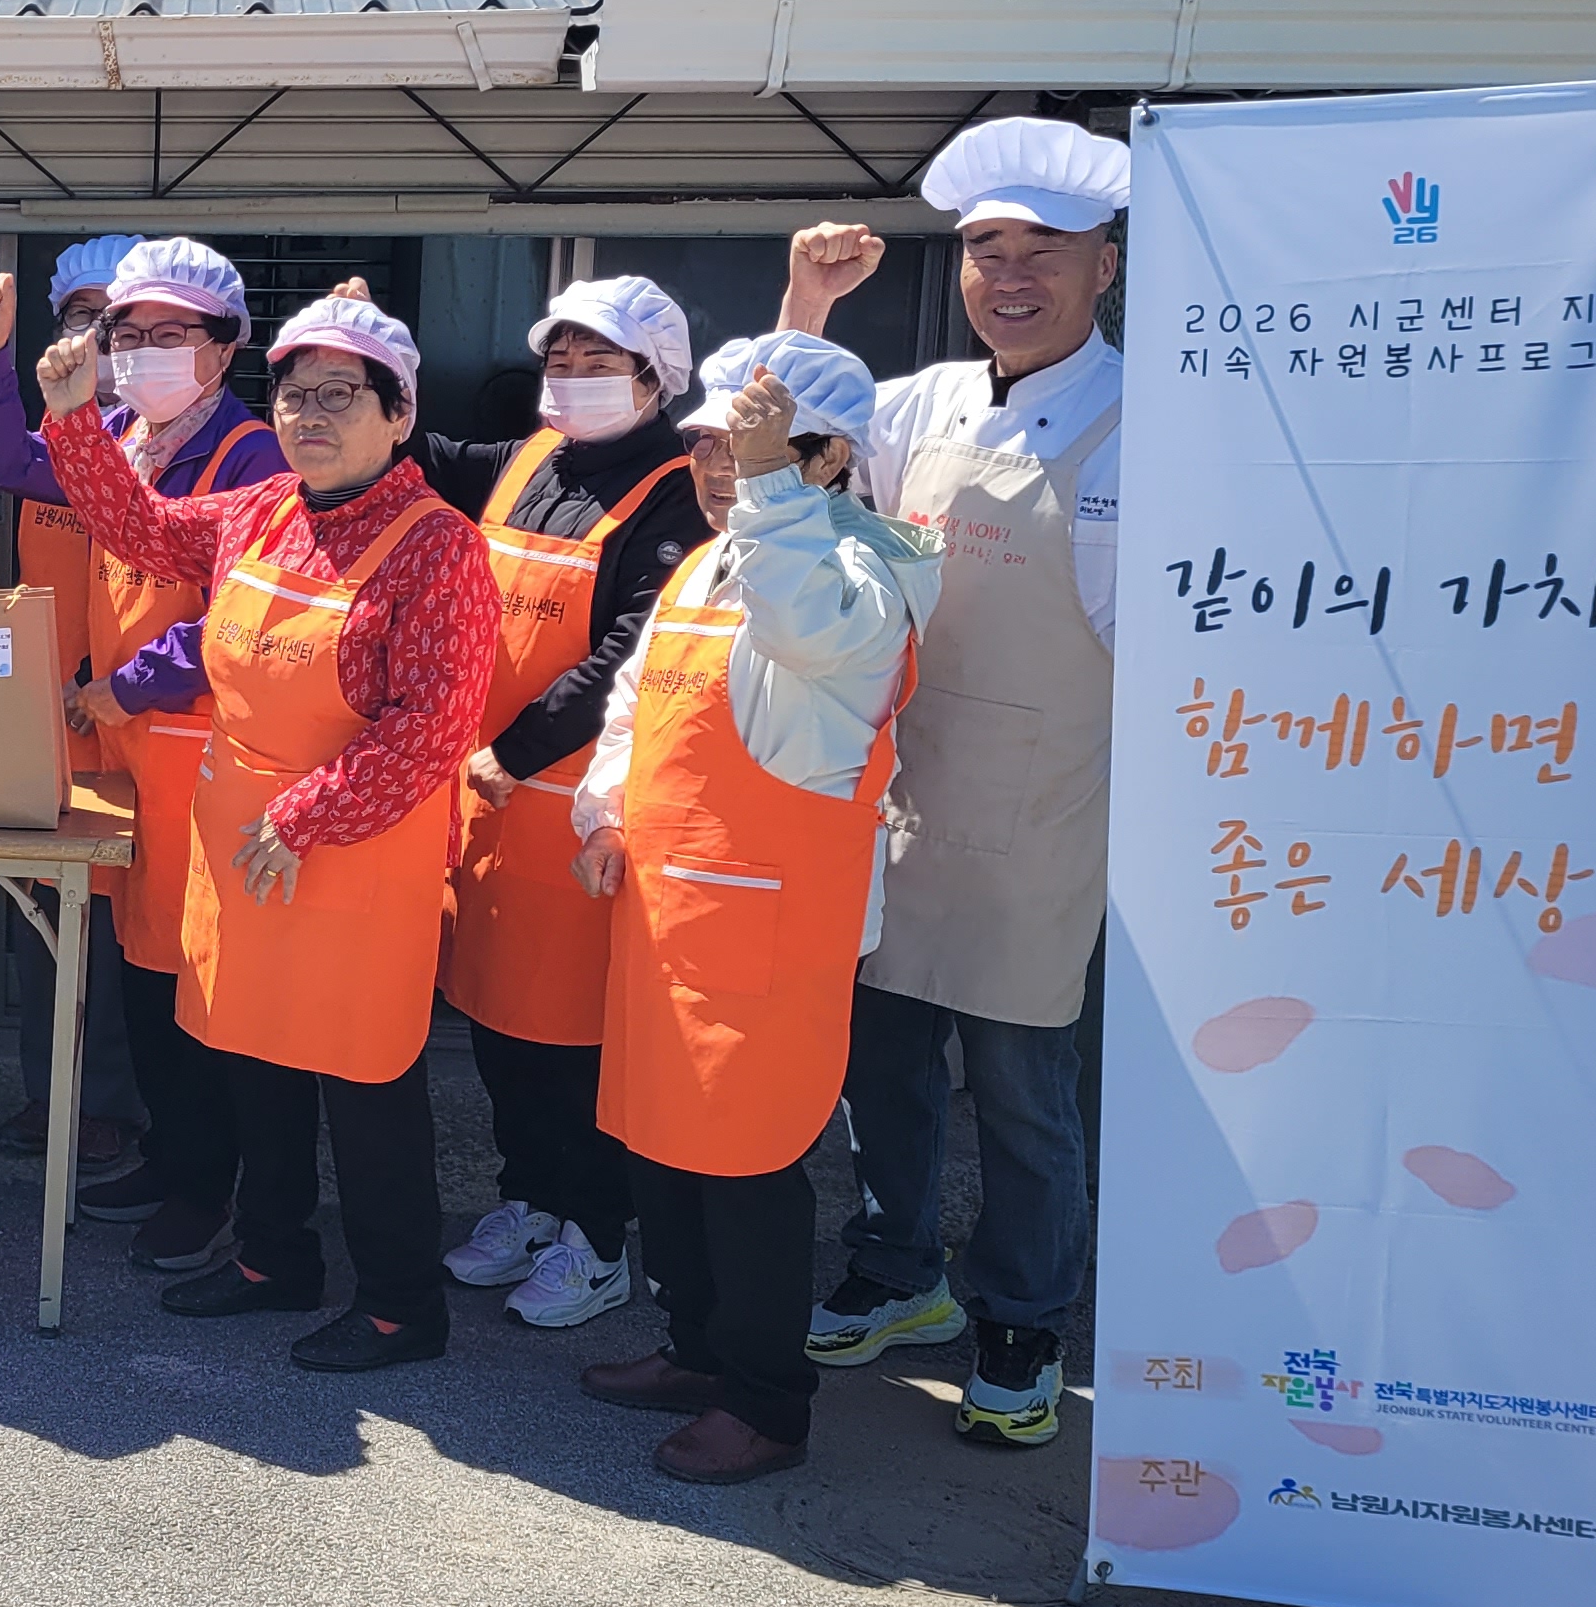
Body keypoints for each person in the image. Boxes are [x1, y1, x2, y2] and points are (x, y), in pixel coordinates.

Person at [42, 283, 498, 1369]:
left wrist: (306, 815)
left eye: (341, 396)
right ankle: (272, 1256)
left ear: (399, 415)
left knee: (366, 1083)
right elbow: (138, 529)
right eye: (295, 395)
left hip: (353, 856)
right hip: (244, 847)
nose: (310, 416)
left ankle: (399, 1305)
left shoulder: (438, 547)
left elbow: (432, 725)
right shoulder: (259, 511)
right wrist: (71, 419)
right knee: (256, 1063)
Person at [779, 115, 1128, 1448]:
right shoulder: (922, 402)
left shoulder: (1148, 421)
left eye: (1045, 248)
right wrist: (810, 304)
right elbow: (787, 451)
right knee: (884, 1066)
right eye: (988, 249)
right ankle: (897, 1268)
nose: (1010, 275)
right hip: (898, 794)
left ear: (1104, 267)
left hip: (1047, 815)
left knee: (1027, 1093)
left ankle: (1023, 1317)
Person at [570, 334, 939, 1482]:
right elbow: (638, 702)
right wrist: (601, 810)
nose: (722, 470)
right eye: (710, 447)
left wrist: (773, 488)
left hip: (771, 930)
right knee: (664, 1151)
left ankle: (768, 1404)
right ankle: (695, 1349)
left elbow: (802, 626)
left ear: (830, 461)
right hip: (667, 910)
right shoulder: (710, 561)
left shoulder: (863, 572)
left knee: (745, 1170)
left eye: (759, 450)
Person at [0, 237, 283, 1281]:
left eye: (169, 334)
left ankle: (211, 1193)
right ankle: (171, 1159)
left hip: (206, 759)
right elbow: (6, 458)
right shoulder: (122, 438)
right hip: (134, 757)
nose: (142, 352)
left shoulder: (253, 458)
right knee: (144, 972)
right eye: (126, 333)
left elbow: (240, 617)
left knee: (202, 992)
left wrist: (127, 685)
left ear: (225, 348)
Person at [418, 273, 708, 1330]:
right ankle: (530, 1199)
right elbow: (417, 453)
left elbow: (632, 649)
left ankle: (598, 1235)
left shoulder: (675, 491)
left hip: (578, 810)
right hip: (491, 800)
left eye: (600, 362)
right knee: (499, 1024)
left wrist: (516, 748)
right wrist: (364, 353)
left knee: (575, 1039)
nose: (572, 378)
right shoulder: (531, 460)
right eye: (561, 359)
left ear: (655, 379)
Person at [0, 235, 143, 1162]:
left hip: (136, 714)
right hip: (49, 715)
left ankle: (116, 1105)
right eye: (82, 315)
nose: (98, 335)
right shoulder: (59, 442)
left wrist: (117, 681)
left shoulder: (171, 447)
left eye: (117, 319)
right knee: (48, 915)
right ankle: (52, 1094)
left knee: (123, 926)